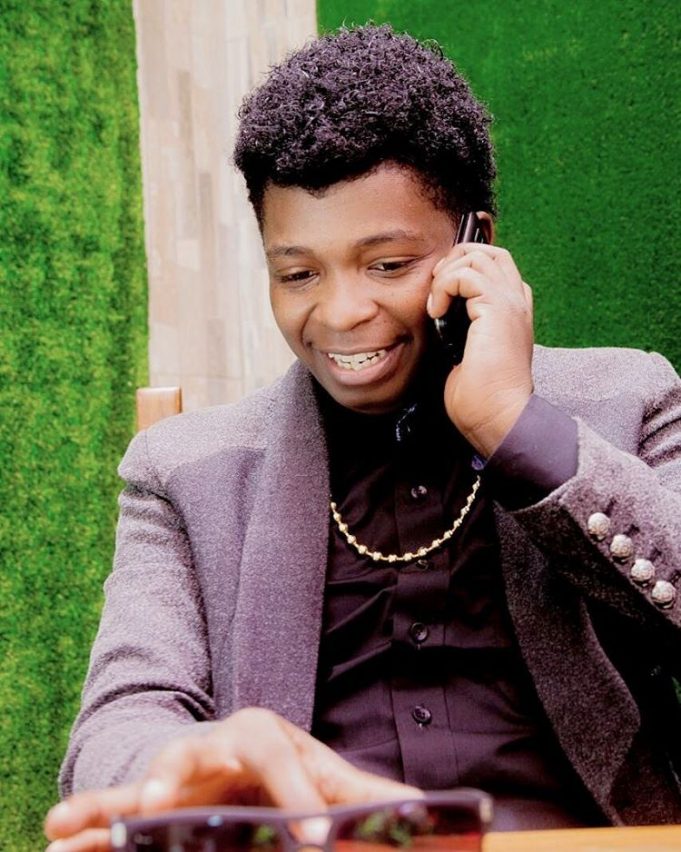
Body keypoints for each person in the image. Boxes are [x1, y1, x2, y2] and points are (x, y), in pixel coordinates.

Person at [45, 23, 681, 851]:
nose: (342, 312)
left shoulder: (629, 398)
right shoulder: (182, 472)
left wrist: (513, 424)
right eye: (298, 273)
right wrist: (184, 760)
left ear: (475, 245)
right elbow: (117, 725)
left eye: (386, 265)